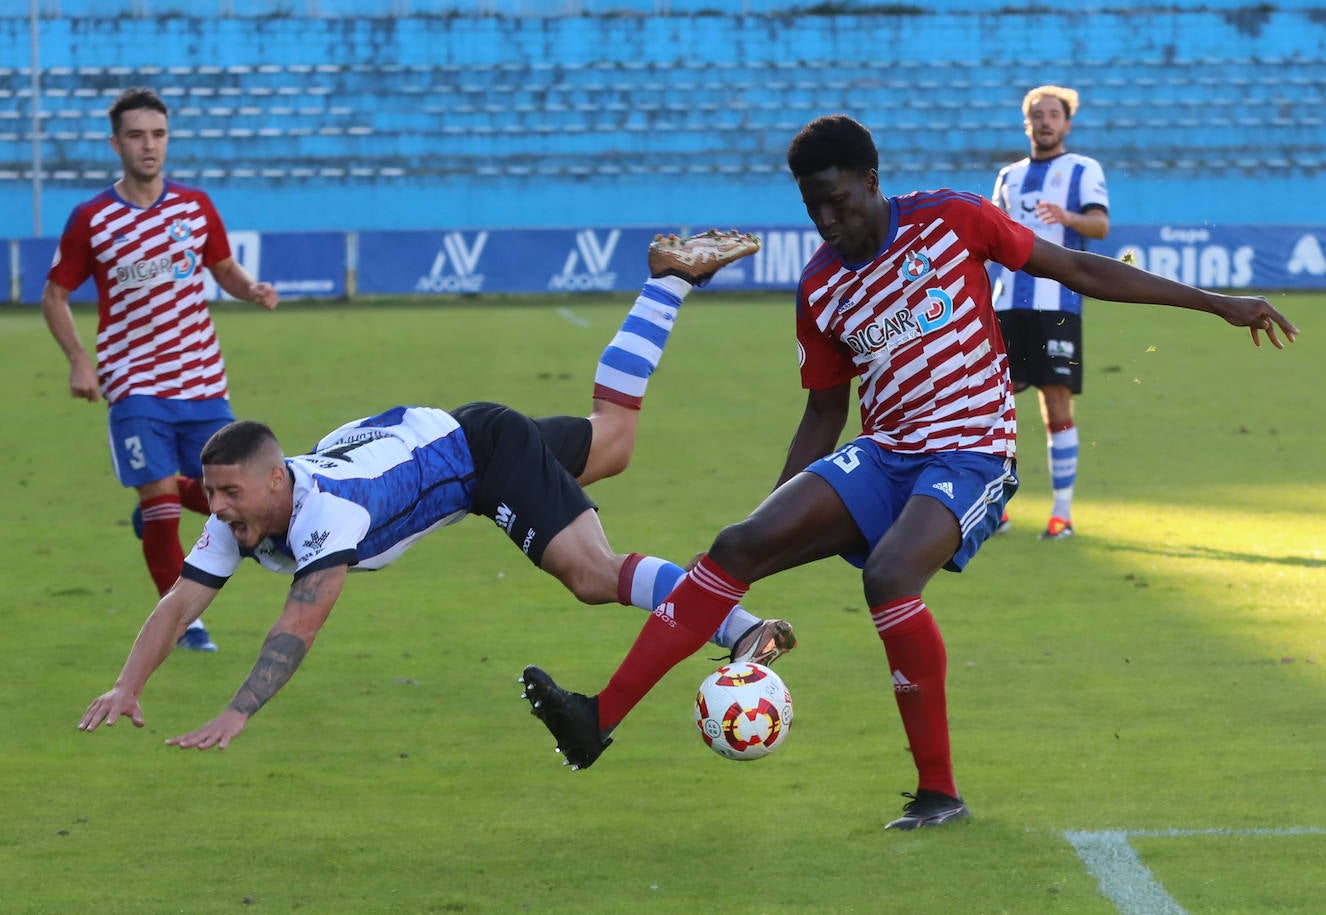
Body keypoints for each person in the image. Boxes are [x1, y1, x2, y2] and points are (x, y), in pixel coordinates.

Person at [520, 114, 1296, 830]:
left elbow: (1077, 268)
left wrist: (1220, 303)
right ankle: (597, 720)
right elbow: (825, 413)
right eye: (812, 207)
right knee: (735, 544)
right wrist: (773, 518)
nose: (826, 220)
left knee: (889, 575)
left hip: (973, 450)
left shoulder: (952, 220)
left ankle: (939, 791)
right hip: (886, 452)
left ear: (870, 182)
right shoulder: (822, 286)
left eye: (836, 202)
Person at [77, 230, 797, 750]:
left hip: (482, 458)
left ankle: (741, 628)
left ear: (274, 477)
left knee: (590, 574)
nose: (218, 506)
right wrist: (126, 684)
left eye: (227, 491)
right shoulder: (246, 510)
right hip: (453, 436)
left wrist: (237, 712)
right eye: (212, 492)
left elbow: (296, 628)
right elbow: (178, 605)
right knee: (613, 438)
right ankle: (670, 277)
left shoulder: (326, 517)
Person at [42, 87, 279, 652]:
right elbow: (55, 295)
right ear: (116, 143)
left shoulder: (194, 207)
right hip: (134, 384)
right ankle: (185, 625)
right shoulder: (92, 218)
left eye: (158, 134)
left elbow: (222, 267)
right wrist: (80, 360)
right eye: (136, 135)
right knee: (164, 505)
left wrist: (250, 290)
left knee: (233, 496)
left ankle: (158, 516)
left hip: (202, 383)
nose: (149, 146)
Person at [990, 85, 1109, 540]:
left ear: (1066, 123)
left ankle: (1061, 514)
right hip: (1007, 304)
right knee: (994, 406)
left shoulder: (1082, 169)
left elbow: (1099, 226)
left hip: (1059, 304)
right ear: (1027, 123)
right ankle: (995, 507)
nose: (1044, 121)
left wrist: (1066, 216)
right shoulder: (1009, 176)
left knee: (1055, 404)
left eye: (1053, 114)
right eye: (1036, 114)